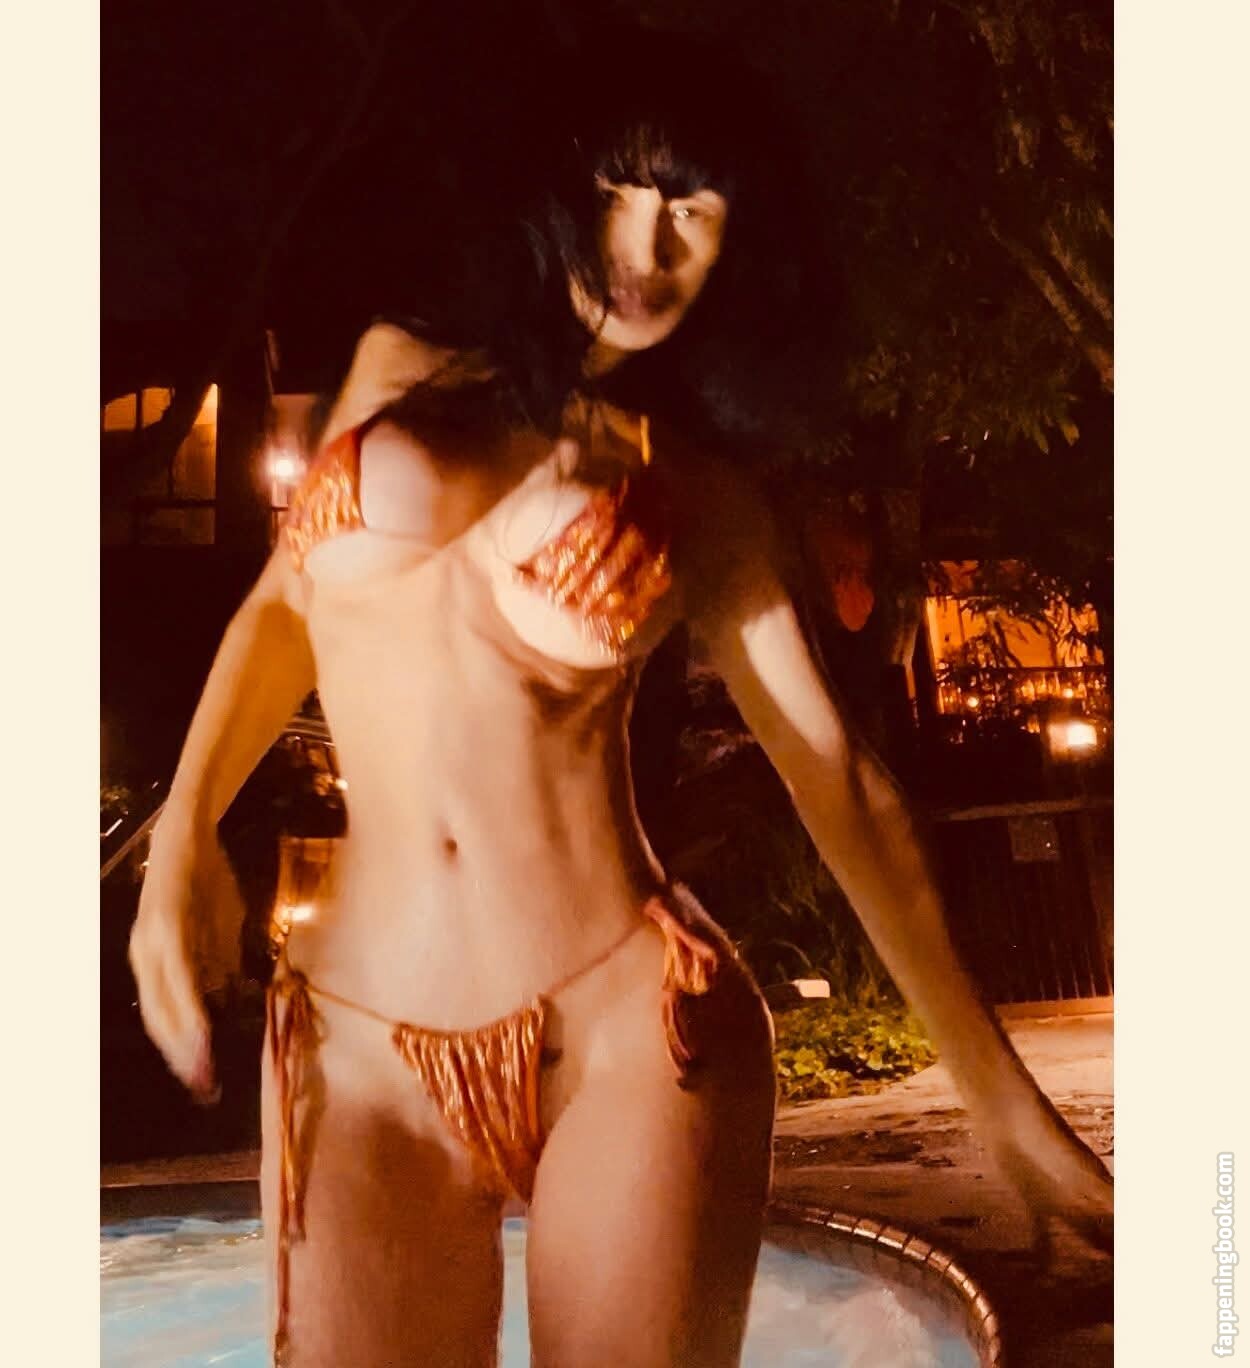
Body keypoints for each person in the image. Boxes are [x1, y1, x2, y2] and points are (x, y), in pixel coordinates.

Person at [129, 27, 1112, 1368]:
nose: (647, 246)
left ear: (738, 241)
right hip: (356, 1047)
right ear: (556, 189)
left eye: (692, 210)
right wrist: (183, 834)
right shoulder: (389, 366)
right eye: (620, 191)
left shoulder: (701, 490)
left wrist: (991, 1090)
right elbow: (282, 608)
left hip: (627, 1035)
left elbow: (836, 777)